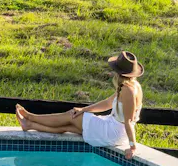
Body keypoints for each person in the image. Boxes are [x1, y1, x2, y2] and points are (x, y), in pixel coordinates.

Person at [15, 51, 143, 154]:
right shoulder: (130, 85)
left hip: (113, 132)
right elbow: (108, 103)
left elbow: (129, 121)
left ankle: (30, 117)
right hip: (112, 127)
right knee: (67, 127)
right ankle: (29, 125)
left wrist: (132, 147)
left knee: (71, 115)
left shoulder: (128, 90)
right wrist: (84, 109)